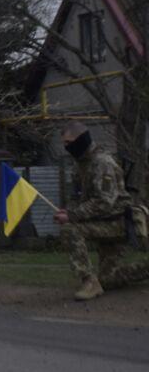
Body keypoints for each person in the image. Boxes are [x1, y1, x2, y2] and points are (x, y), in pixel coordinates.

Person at [55, 122, 148, 301]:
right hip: (103, 221)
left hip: (117, 222)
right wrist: (67, 211)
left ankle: (89, 281)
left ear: (82, 139)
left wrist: (72, 216)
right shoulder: (81, 164)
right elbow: (79, 197)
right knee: (108, 278)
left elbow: (104, 202)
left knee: (70, 229)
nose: (66, 147)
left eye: (69, 142)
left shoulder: (102, 163)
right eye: (64, 143)